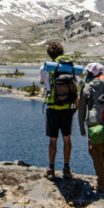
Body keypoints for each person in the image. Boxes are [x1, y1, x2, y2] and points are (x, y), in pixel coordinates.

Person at [78, 62, 104, 193]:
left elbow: (82, 109)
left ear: (89, 74)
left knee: (94, 151)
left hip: (95, 122)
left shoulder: (88, 87)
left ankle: (102, 183)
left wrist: (82, 128)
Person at [40, 41, 76, 179]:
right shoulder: (69, 67)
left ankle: (51, 168)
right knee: (67, 138)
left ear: (49, 53)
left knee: (53, 140)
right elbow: (75, 85)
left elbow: (42, 82)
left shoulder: (45, 67)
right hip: (67, 107)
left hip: (52, 107)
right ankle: (67, 168)